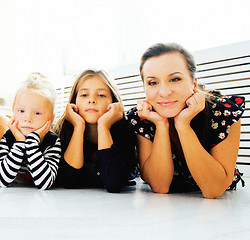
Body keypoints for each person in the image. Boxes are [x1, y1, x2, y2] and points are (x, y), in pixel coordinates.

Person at [125, 43, 245, 199]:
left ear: (194, 83)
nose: (164, 92)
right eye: (153, 82)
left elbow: (214, 189)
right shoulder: (143, 117)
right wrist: (161, 125)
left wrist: (183, 125)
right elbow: (159, 186)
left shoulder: (223, 111)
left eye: (175, 79)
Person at [53, 69, 137, 193]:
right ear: (74, 101)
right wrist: (78, 126)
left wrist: (103, 126)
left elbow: (114, 183)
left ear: (113, 102)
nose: (91, 100)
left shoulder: (125, 130)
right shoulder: (63, 130)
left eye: (101, 95)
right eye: (84, 95)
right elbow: (69, 181)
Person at [0, 72, 61, 190]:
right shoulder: (8, 138)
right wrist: (19, 142)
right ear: (13, 112)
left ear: (51, 119)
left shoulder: (52, 142)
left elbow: (45, 184)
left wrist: (31, 142)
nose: (27, 118)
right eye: (21, 111)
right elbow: (2, 180)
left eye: (37, 113)